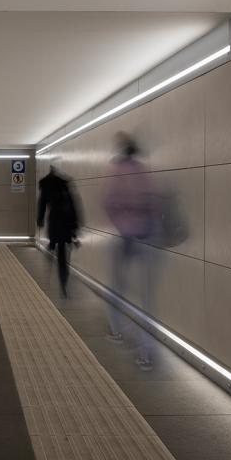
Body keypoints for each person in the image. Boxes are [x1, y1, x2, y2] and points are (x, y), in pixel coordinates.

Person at [102, 132, 156, 369]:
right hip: (145, 236)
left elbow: (108, 202)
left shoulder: (117, 171)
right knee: (145, 295)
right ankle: (145, 353)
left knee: (117, 287)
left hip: (126, 236)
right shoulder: (143, 172)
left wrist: (120, 223)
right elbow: (154, 202)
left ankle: (117, 330)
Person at [36, 165, 80, 297]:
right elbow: (74, 206)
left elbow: (42, 204)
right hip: (66, 225)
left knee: (53, 246)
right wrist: (75, 226)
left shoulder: (47, 186)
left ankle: (50, 276)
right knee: (63, 256)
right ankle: (63, 283)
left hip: (55, 223)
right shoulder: (65, 185)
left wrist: (40, 220)